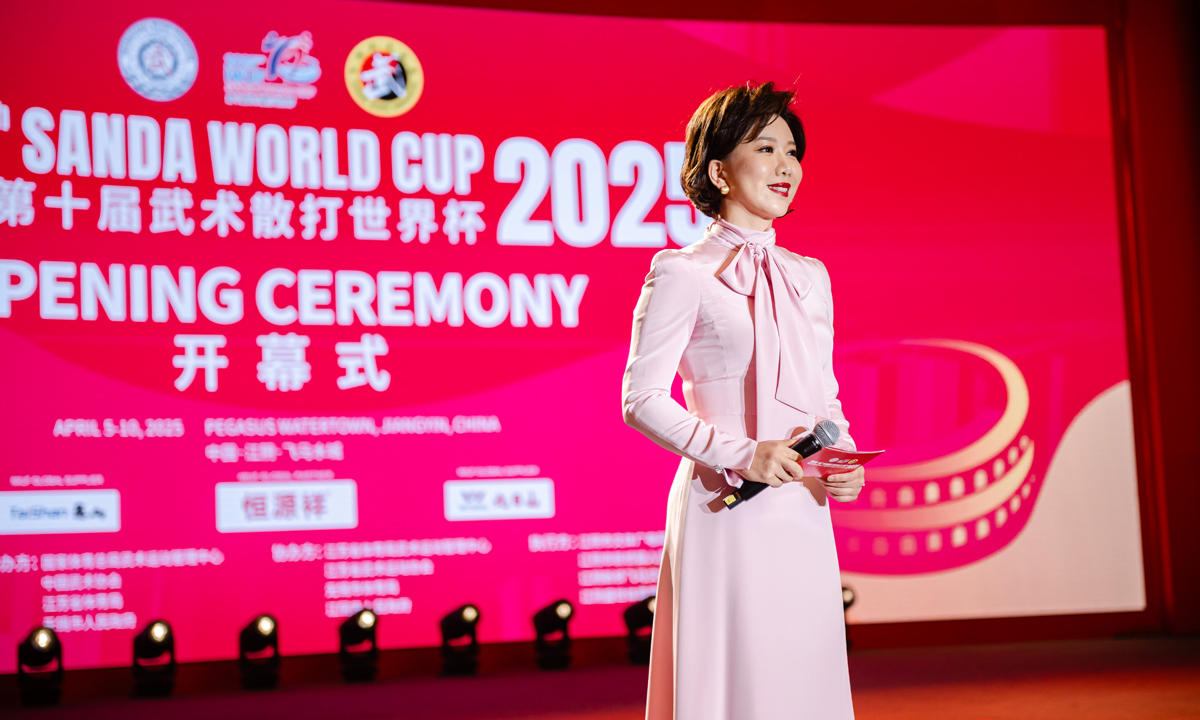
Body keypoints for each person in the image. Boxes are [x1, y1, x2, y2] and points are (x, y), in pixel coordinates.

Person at [622, 82, 865, 720]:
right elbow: (641, 398)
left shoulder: (811, 276)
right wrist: (743, 454)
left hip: (803, 504)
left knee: (802, 676)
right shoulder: (682, 271)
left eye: (793, 151)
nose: (787, 165)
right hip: (725, 501)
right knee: (735, 680)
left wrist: (841, 460)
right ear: (718, 171)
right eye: (765, 148)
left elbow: (824, 396)